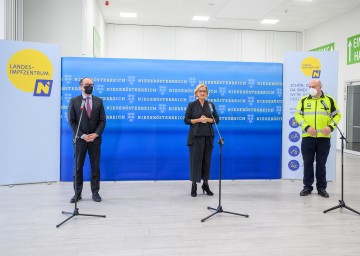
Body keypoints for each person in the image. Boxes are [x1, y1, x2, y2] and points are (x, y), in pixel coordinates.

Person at [295, 79, 341, 198]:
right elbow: (297, 115)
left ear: (320, 87)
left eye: (314, 86)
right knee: (308, 162)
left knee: (321, 164)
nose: (311, 88)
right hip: (308, 137)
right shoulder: (304, 100)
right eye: (309, 86)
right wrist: (307, 127)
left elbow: (337, 115)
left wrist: (330, 127)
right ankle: (307, 187)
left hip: (323, 139)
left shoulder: (329, 100)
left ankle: (321, 188)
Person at [68, 77, 106, 203]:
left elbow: (102, 121)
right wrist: (82, 135)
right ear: (80, 86)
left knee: (95, 167)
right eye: (86, 84)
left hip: (95, 140)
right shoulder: (74, 101)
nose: (89, 86)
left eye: (91, 84)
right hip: (80, 140)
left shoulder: (99, 101)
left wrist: (95, 134)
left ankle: (95, 193)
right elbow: (71, 121)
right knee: (78, 167)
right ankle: (77, 193)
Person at [184, 83, 219, 197]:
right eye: (200, 91)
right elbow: (186, 120)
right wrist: (198, 119)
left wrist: (208, 119)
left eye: (204, 91)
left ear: (207, 93)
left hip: (208, 136)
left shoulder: (210, 105)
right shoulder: (192, 105)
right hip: (195, 137)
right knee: (195, 162)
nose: (202, 93)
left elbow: (216, 120)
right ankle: (194, 185)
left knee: (206, 162)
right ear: (196, 93)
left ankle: (205, 184)